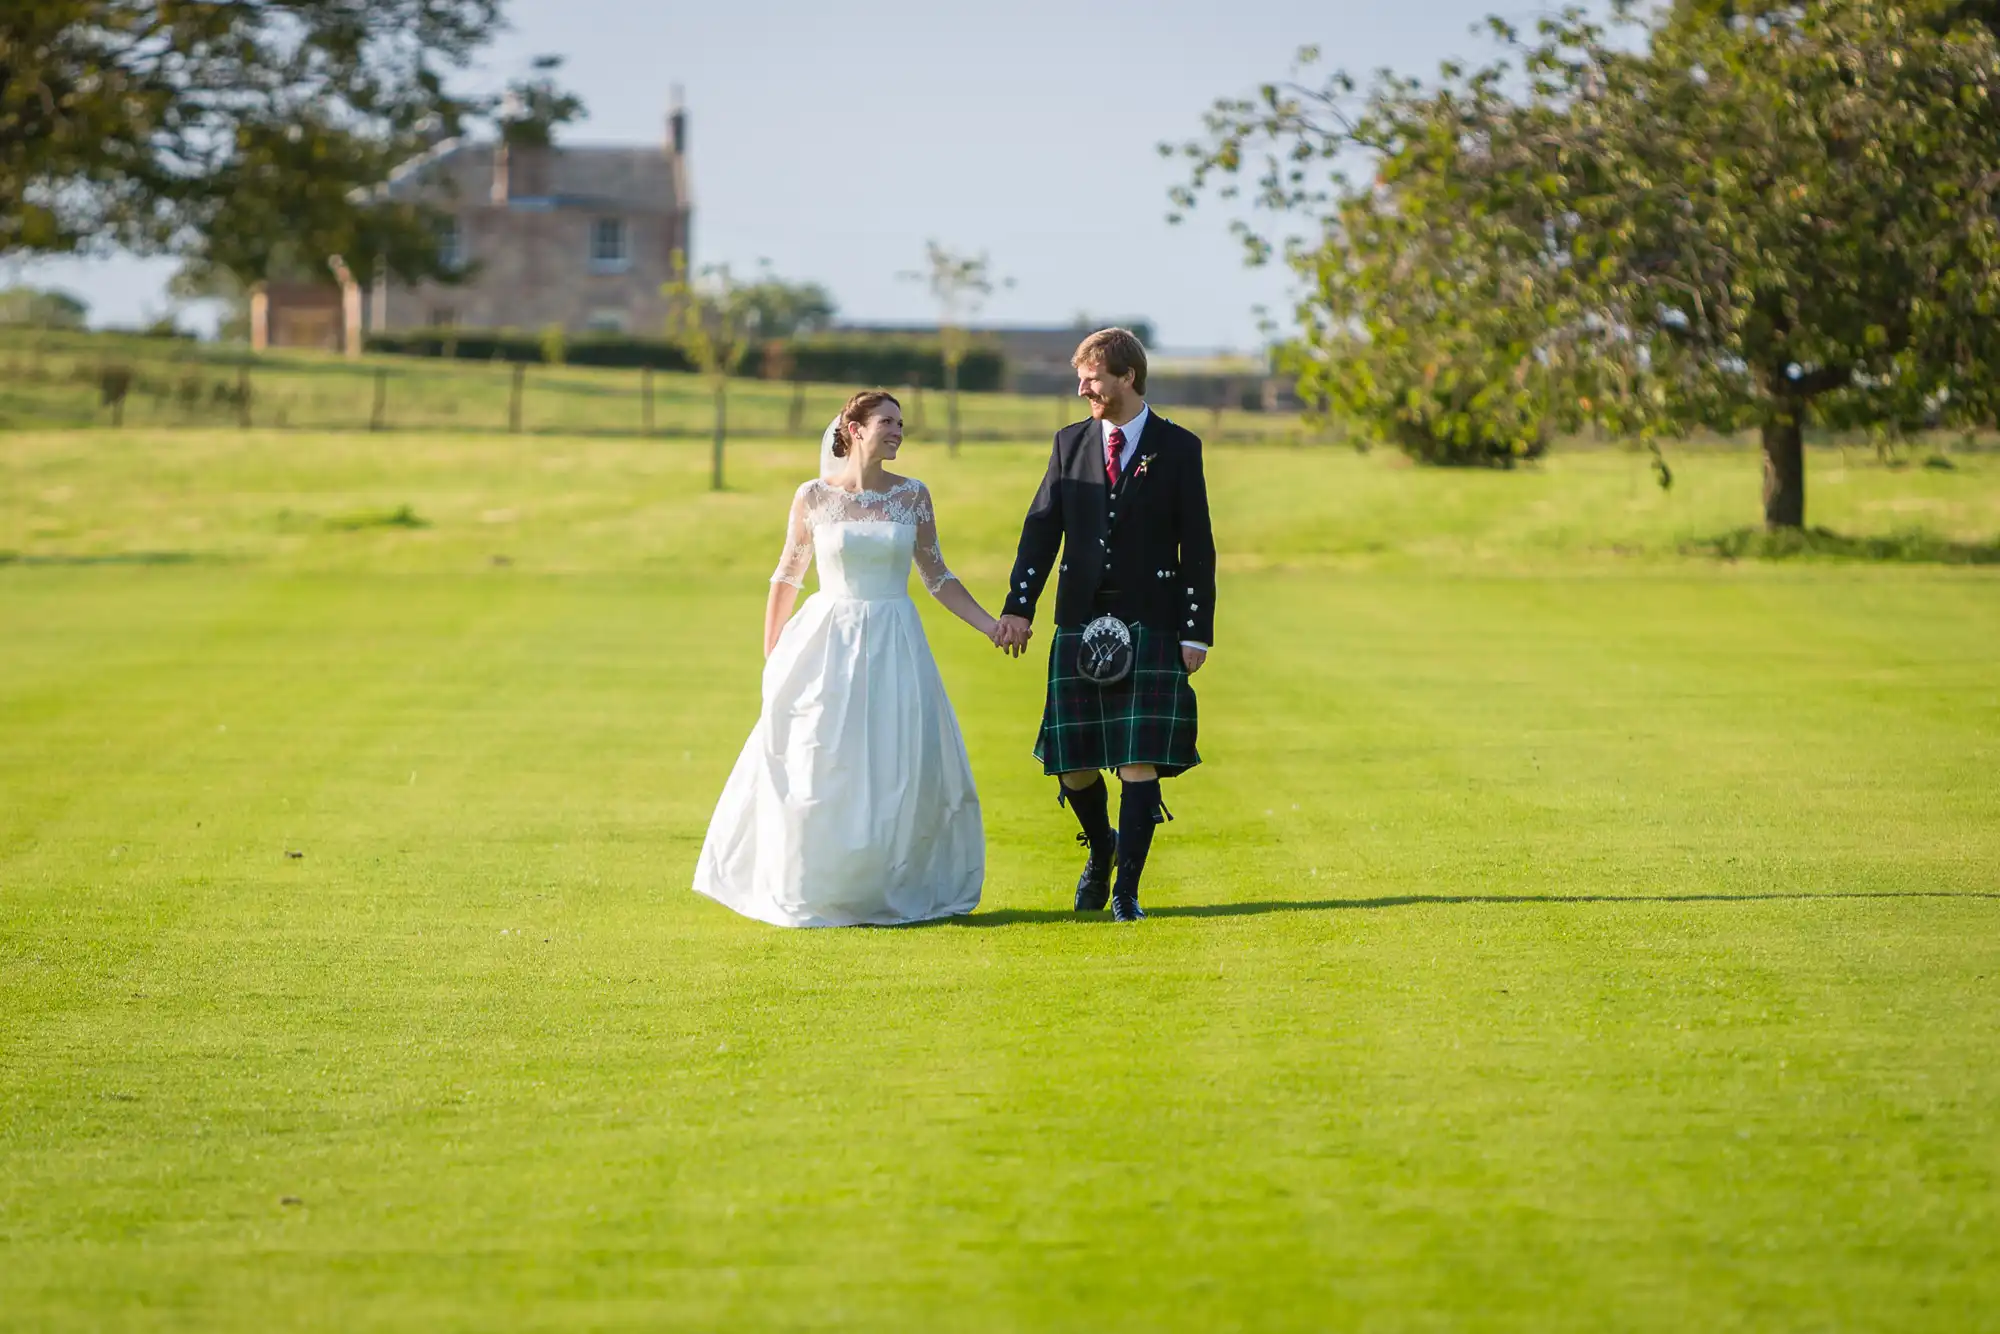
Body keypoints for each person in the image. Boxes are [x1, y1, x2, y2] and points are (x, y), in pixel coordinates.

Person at [693, 391, 1002, 927]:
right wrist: (774, 659)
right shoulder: (814, 497)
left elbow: (938, 577)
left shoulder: (914, 497)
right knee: (821, 756)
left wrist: (991, 626)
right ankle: (819, 884)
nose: (898, 431)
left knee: (895, 760)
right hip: (827, 639)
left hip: (895, 640)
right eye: (887, 421)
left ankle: (887, 885)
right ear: (854, 429)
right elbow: (787, 577)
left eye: (902, 423)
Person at [994, 329, 1216, 922]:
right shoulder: (1070, 444)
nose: (1082, 388)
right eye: (1082, 378)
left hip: (1151, 618)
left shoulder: (1177, 447)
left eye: (1092, 378)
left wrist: (1196, 630)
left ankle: (1128, 892)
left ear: (1127, 377)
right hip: (1081, 618)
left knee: (1137, 757)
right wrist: (1020, 605)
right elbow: (1042, 528)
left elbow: (1197, 544)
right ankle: (1101, 850)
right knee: (1072, 762)